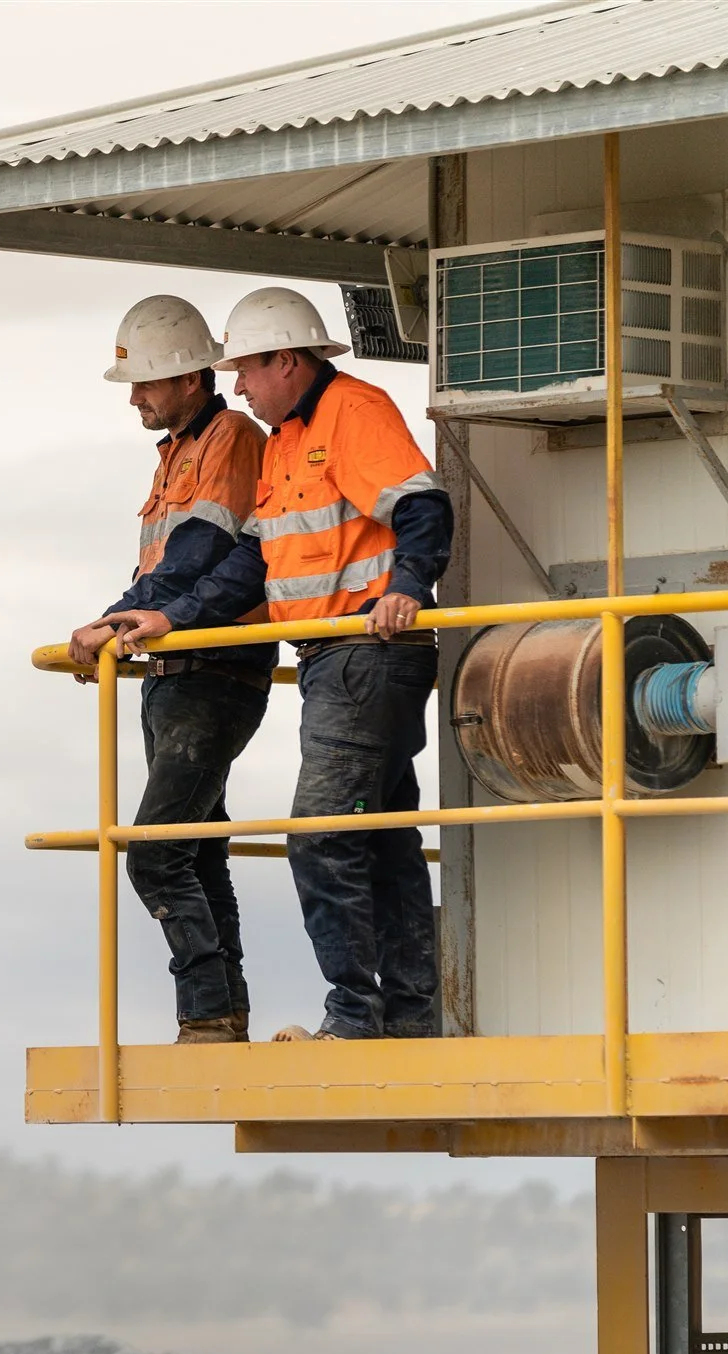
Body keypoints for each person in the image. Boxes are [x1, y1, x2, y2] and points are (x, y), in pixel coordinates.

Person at [110, 286, 453, 1042]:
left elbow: (424, 504)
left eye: (248, 370)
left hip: (368, 652)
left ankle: (355, 1017)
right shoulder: (291, 437)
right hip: (334, 657)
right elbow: (252, 559)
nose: (238, 385)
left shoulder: (352, 414)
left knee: (321, 835)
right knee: (384, 836)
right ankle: (407, 1014)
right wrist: (171, 615)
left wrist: (405, 587)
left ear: (288, 362)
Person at [68, 296, 276, 1045]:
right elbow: (166, 565)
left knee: (156, 851)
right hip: (174, 672)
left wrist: (114, 620)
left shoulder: (232, 439)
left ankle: (206, 1010)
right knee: (197, 846)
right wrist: (121, 620)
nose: (135, 397)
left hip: (215, 670)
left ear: (193, 378)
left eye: (148, 382)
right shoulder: (178, 451)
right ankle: (223, 1012)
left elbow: (198, 556)